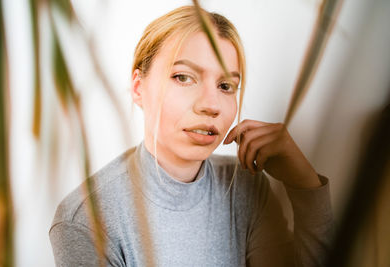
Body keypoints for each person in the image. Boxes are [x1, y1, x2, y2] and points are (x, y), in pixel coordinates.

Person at [49, 5, 333, 267]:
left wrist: (304, 183)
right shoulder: (85, 220)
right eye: (183, 77)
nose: (210, 105)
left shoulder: (246, 186)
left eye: (225, 85)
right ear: (138, 88)